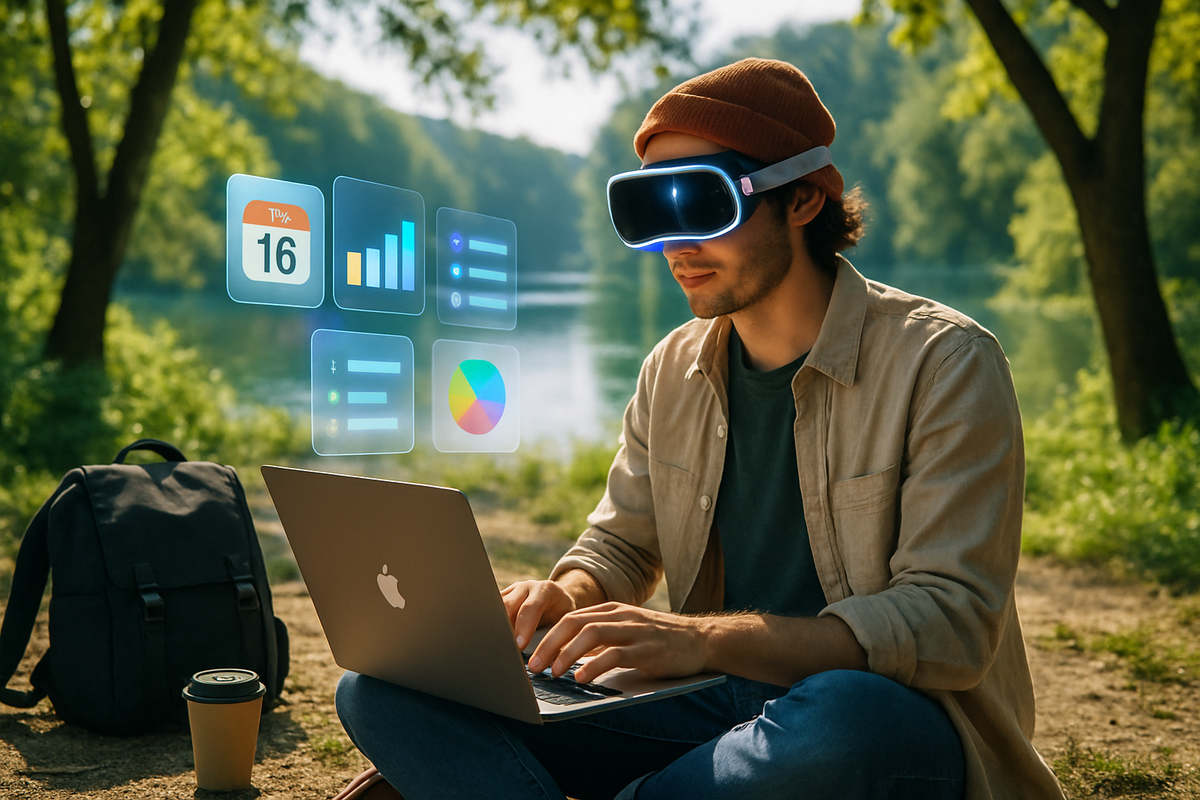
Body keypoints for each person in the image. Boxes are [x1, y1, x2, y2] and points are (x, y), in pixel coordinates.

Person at [336, 57, 1065, 799]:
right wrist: (569, 592)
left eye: (700, 204)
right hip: (709, 710)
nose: (673, 246)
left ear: (804, 198)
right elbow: (620, 542)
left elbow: (949, 624)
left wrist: (698, 638)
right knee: (385, 689)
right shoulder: (671, 368)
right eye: (650, 213)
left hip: (883, 725)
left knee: (850, 714)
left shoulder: (946, 363)